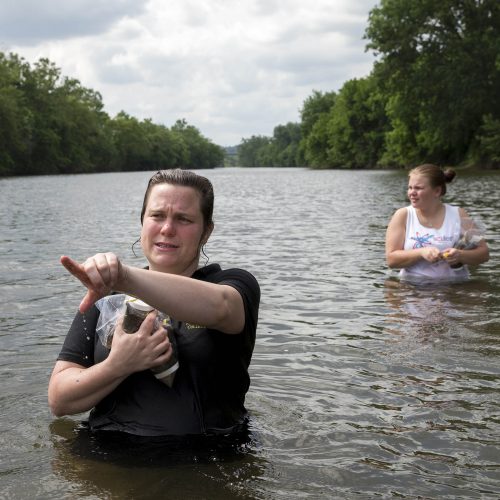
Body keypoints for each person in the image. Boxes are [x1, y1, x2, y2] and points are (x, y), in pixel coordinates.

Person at [48, 169, 260, 437]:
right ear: (142, 222)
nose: (167, 229)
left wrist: (125, 277)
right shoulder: (107, 295)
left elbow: (221, 307)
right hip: (105, 458)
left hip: (202, 463)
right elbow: (59, 400)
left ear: (206, 232)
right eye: (157, 216)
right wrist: (118, 365)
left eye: (183, 219)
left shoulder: (232, 285)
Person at [385, 163, 489, 281]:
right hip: (414, 288)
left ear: (437, 191)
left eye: (418, 188)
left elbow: (484, 254)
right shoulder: (402, 215)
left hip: (453, 288)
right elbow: (391, 260)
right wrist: (421, 253)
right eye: (410, 187)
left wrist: (460, 255)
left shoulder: (459, 214)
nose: (412, 193)